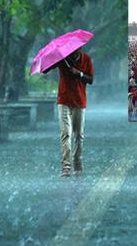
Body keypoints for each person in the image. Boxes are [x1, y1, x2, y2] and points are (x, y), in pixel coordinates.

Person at [44, 48, 93, 177]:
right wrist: (54, 59)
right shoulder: (62, 59)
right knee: (65, 133)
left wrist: (79, 74)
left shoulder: (86, 59)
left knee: (79, 135)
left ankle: (77, 163)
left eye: (76, 50)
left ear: (80, 48)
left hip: (80, 101)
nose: (74, 52)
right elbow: (45, 70)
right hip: (64, 100)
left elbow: (91, 79)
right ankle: (66, 167)